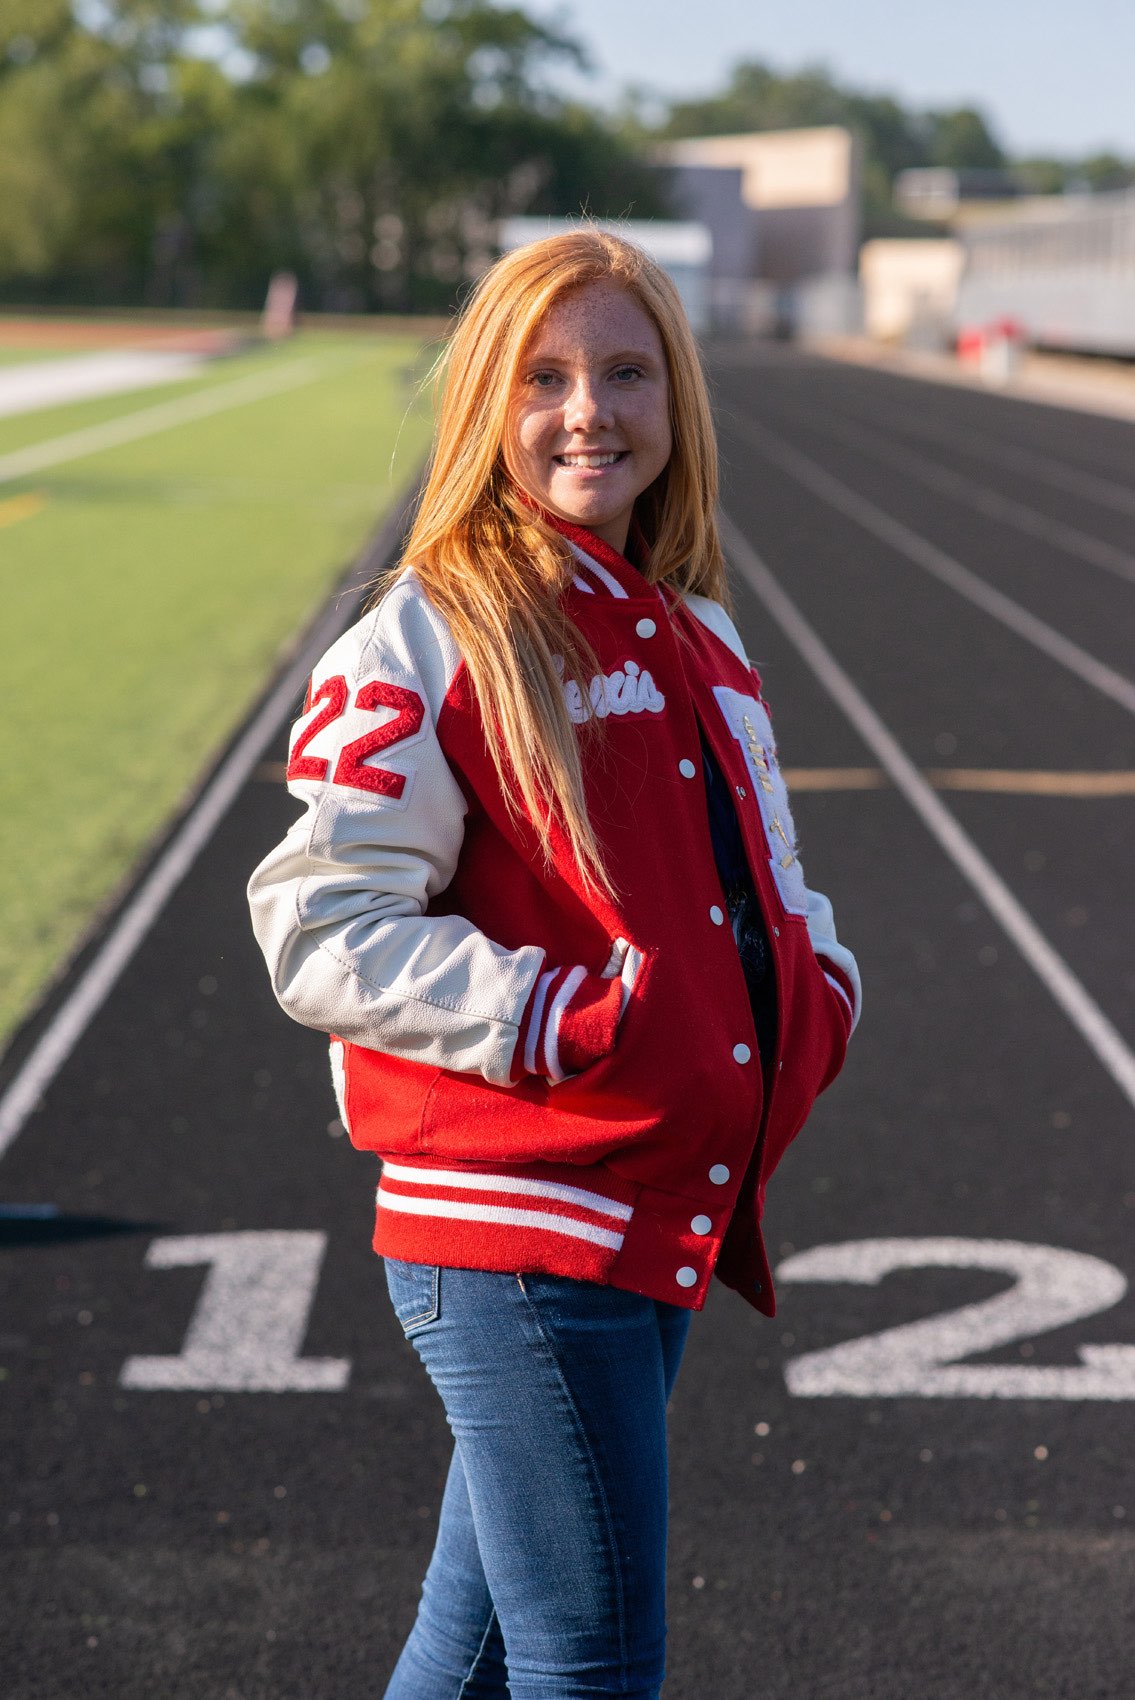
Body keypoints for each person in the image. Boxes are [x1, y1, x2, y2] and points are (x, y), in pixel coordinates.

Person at [247, 229, 861, 1700]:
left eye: (627, 371)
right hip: (527, 1229)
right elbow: (318, 923)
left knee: (467, 1661)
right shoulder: (432, 630)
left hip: (649, 1212)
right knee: (589, 1670)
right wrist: (561, 1016)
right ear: (485, 406)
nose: (591, 408)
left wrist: (819, 992)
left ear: (677, 403)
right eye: (547, 377)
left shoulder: (699, 628)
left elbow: (768, 879)